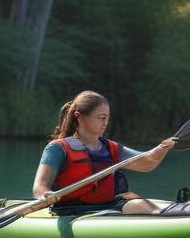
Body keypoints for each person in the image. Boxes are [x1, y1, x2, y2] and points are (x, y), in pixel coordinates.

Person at [33, 90, 176, 215]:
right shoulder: (58, 148)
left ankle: (180, 217)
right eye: (101, 117)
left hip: (109, 206)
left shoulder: (112, 148)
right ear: (79, 116)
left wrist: (163, 147)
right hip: (70, 211)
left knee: (141, 203)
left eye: (107, 118)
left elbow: (148, 162)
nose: (106, 122)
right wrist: (46, 195)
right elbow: (40, 186)